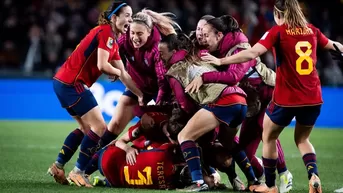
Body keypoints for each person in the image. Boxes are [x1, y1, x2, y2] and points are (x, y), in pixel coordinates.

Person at [201, 0, 343, 192]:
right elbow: (335, 46)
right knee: (302, 140)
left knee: (268, 135)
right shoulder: (312, 30)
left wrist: (221, 60)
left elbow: (251, 53)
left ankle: (270, 186)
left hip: (287, 97)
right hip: (313, 96)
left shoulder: (278, 31)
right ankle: (313, 176)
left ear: (277, 14)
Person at [188, 15, 293, 193]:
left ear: (218, 35)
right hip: (251, 102)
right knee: (244, 152)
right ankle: (259, 177)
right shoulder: (215, 49)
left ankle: (284, 174)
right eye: (198, 31)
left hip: (270, 92)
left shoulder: (241, 46)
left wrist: (204, 77)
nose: (201, 37)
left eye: (204, 33)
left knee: (265, 129)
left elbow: (234, 76)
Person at [47, 1, 143, 187]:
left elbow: (124, 74)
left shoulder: (112, 40)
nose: (130, 20)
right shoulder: (106, 32)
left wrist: (140, 95)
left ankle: (58, 166)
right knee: (99, 127)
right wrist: (114, 72)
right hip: (72, 83)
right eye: (127, 15)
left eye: (132, 16)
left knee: (86, 129)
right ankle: (78, 172)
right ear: (114, 17)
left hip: (62, 82)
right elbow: (102, 65)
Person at [101, 10, 178, 148]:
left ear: (149, 31)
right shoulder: (125, 38)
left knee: (165, 130)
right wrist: (112, 68)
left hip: (161, 91)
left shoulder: (157, 48)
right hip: (137, 86)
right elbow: (112, 51)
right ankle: (84, 167)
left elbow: (162, 82)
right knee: (114, 126)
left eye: (140, 34)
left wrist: (157, 106)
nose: (135, 37)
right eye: (133, 33)